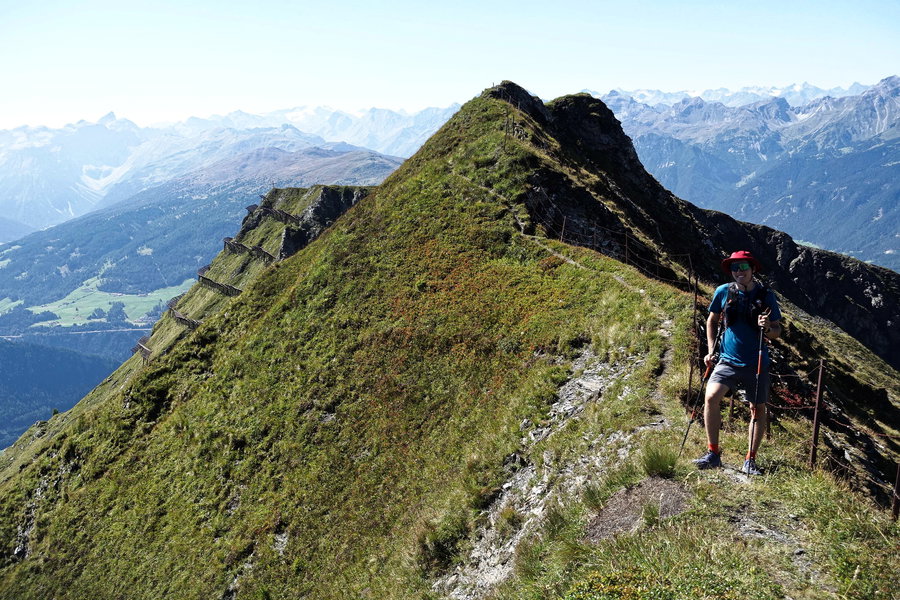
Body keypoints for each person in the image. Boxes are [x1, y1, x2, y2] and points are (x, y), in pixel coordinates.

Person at [694, 250, 782, 475]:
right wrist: (711, 350)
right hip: (727, 359)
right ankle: (713, 453)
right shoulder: (723, 291)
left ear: (753, 269)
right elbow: (712, 320)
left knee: (757, 409)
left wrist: (767, 328)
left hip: (756, 362)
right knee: (711, 398)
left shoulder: (766, 296)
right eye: (734, 267)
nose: (738, 271)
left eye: (743, 267)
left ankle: (750, 459)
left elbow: (777, 331)